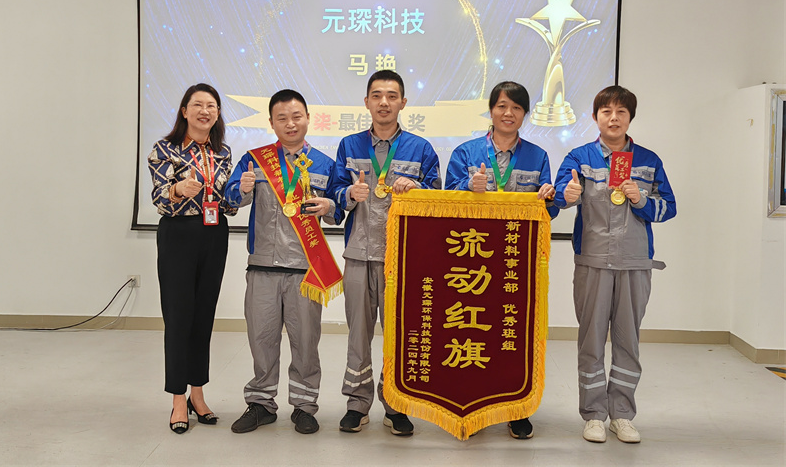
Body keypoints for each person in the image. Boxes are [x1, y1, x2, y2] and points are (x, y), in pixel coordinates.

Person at [553, 85, 676, 444]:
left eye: (621, 111)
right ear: (595, 117)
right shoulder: (579, 157)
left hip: (635, 263)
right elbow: (559, 194)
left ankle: (622, 414)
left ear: (630, 118)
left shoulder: (648, 160)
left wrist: (642, 201)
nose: (613, 118)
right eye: (606, 111)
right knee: (590, 340)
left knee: (628, 341)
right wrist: (566, 195)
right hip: (592, 261)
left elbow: (668, 207)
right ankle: (593, 415)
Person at [224, 89, 342, 435]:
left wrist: (330, 206)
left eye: (296, 116)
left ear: (308, 118)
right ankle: (261, 403)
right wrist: (244, 188)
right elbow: (230, 200)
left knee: (305, 341)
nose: (290, 123)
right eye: (282, 118)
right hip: (262, 266)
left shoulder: (324, 163)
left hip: (305, 270)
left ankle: (304, 407)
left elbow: (337, 210)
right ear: (272, 122)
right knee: (261, 338)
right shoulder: (254, 160)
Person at [445, 80, 558, 440]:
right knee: (472, 332)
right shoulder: (465, 152)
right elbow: (444, 201)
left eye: (517, 108)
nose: (509, 113)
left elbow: (549, 210)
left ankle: (517, 409)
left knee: (513, 334)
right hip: (471, 260)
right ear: (491, 110)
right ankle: (472, 405)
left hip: (515, 262)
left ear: (525, 114)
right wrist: (468, 188)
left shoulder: (538, 156)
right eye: (502, 106)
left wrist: (549, 196)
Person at [332, 71, 441, 436]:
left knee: (400, 334)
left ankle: (396, 404)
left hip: (402, 260)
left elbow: (439, 200)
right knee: (358, 333)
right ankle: (356, 403)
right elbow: (333, 195)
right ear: (366, 102)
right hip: (358, 254)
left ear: (403, 103)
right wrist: (349, 194)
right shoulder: (349, 145)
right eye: (376, 95)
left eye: (392, 96)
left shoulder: (421, 149)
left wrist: (418, 187)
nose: (384, 102)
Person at [148, 83, 237, 434]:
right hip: (178, 234)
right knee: (178, 317)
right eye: (197, 105)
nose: (205, 111)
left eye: (211, 105)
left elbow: (228, 204)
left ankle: (198, 393)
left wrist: (241, 192)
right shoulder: (164, 149)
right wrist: (176, 189)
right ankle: (177, 398)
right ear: (184, 111)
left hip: (214, 234)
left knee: (203, 316)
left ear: (218, 113)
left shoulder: (223, 152)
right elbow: (159, 198)